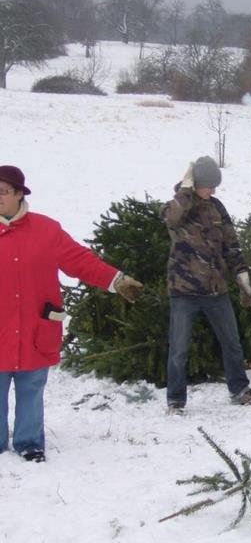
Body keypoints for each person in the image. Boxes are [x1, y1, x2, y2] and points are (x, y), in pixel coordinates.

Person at [0, 165, 143, 462]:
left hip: (35, 329)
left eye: (2, 192)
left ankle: (29, 442)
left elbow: (80, 261)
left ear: (18, 195)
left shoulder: (46, 230)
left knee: (31, 390)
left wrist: (115, 280)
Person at [162, 156, 251, 414]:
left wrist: (243, 278)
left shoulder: (217, 208)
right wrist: (184, 190)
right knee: (179, 350)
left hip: (216, 290)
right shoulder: (178, 206)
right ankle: (175, 401)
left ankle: (239, 389)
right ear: (195, 183)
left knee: (232, 343)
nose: (213, 191)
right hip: (183, 292)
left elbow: (231, 245)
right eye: (208, 185)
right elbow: (170, 219)